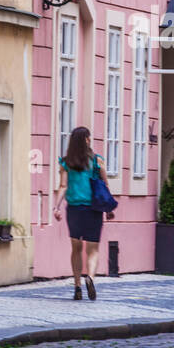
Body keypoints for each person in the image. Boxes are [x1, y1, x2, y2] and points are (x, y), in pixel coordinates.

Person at [53, 126, 115, 300]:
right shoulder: (97, 161)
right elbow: (105, 185)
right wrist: (109, 208)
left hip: (74, 210)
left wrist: (56, 207)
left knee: (76, 248)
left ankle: (77, 286)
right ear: (87, 140)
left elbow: (63, 186)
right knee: (93, 249)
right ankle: (91, 278)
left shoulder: (66, 162)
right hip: (93, 209)